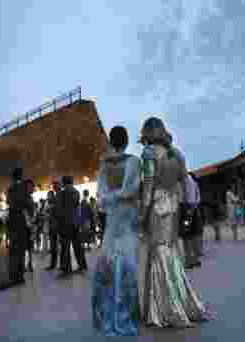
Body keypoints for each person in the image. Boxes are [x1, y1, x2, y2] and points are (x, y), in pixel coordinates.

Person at [137, 117, 212, 327]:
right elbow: (184, 184)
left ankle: (165, 308)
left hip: (157, 207)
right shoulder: (177, 153)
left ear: (147, 133)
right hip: (173, 206)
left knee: (158, 253)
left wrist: (142, 214)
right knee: (170, 252)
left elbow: (149, 185)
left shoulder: (149, 153)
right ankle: (182, 302)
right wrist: (186, 207)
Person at [91, 126, 140, 336]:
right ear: (127, 141)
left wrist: (111, 198)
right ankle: (126, 312)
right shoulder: (134, 162)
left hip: (112, 218)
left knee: (110, 262)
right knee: (128, 263)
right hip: (128, 217)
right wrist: (123, 197)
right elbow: (133, 191)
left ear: (111, 142)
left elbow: (100, 198)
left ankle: (108, 312)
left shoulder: (104, 164)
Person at [7, 168, 35, 286]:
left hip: (13, 222)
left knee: (13, 249)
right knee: (21, 249)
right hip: (23, 223)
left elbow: (9, 202)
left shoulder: (10, 188)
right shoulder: (23, 188)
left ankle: (13, 275)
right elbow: (28, 204)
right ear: (21, 176)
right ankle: (19, 276)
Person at [54, 176, 84, 278]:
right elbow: (76, 207)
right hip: (74, 223)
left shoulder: (62, 193)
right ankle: (82, 265)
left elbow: (59, 209)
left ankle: (66, 269)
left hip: (65, 223)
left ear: (64, 183)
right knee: (77, 245)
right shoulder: (76, 192)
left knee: (65, 247)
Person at [183, 172, 204, 269]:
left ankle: (189, 260)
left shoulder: (185, 181)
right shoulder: (194, 183)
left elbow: (187, 198)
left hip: (187, 212)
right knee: (194, 234)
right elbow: (198, 199)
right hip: (195, 211)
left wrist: (188, 211)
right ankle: (195, 259)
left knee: (187, 234)